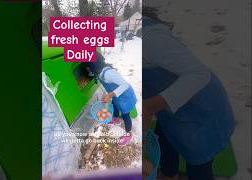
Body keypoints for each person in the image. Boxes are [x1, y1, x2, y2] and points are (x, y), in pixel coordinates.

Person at [143, 7, 235, 180]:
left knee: (198, 162)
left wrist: (150, 106)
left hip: (200, 110)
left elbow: (199, 74)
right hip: (171, 109)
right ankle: (168, 173)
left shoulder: (148, 39)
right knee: (165, 137)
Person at [83, 52, 137, 146]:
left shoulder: (108, 74)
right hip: (117, 96)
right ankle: (116, 119)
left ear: (94, 65)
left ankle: (128, 134)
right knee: (115, 104)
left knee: (125, 114)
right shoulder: (99, 72)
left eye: (88, 66)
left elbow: (125, 85)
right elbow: (93, 74)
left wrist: (109, 95)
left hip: (125, 96)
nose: (87, 69)